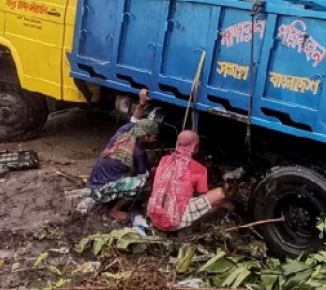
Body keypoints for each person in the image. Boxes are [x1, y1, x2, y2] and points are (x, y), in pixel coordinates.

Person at [88, 89, 159, 220]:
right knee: (142, 183)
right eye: (153, 137)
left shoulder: (125, 131)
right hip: (100, 192)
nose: (155, 140)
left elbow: (135, 119)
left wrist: (142, 102)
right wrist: (156, 170)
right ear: (144, 136)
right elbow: (143, 175)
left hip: (93, 183)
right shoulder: (138, 152)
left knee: (128, 171)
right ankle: (114, 211)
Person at [148, 131, 233, 231]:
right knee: (219, 194)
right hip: (174, 222)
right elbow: (202, 193)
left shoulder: (164, 159)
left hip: (154, 215)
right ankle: (189, 227)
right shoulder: (200, 169)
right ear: (195, 147)